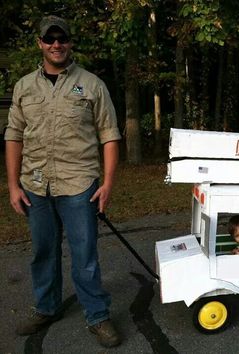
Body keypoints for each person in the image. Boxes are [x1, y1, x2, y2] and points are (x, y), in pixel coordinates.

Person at [4, 15, 122, 348]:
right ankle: (47, 307)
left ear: (70, 43)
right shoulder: (24, 87)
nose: (56, 44)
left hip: (79, 184)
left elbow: (109, 136)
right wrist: (13, 186)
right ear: (40, 43)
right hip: (35, 186)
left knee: (84, 254)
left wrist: (108, 183)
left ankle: (97, 315)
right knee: (43, 252)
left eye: (62, 38)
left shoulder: (92, 85)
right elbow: (14, 136)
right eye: (49, 39)